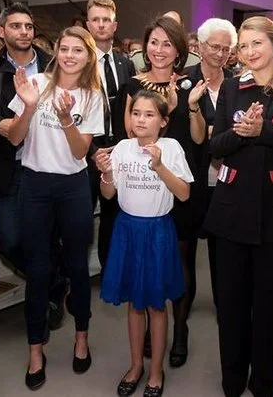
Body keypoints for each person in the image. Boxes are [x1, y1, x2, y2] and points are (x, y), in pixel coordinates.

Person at [204, 16, 273, 397]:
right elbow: (215, 145)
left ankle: (263, 384)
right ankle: (233, 382)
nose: (250, 52)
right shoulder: (233, 86)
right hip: (231, 210)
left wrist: (265, 131)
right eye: (245, 45)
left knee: (269, 307)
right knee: (232, 306)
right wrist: (239, 134)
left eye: (257, 44)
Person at [7, 25, 104, 389]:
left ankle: (81, 336)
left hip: (73, 187)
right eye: (64, 48)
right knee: (39, 270)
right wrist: (30, 108)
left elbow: (81, 152)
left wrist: (66, 119)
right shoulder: (36, 84)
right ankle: (35, 349)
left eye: (78, 50)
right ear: (56, 51)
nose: (69, 55)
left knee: (78, 265)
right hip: (34, 185)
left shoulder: (93, 96)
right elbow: (15, 138)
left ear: (88, 55)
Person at [0, 3, 69, 331]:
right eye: (16, 26)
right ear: (1, 31)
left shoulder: (54, 65)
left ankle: (48, 296)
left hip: (47, 166)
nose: (24, 32)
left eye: (28, 26)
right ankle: (55, 279)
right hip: (7, 167)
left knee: (47, 237)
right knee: (9, 240)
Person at [97, 90, 194, 397]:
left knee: (155, 304)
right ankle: (136, 364)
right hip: (128, 230)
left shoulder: (171, 147)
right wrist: (107, 173)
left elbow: (184, 194)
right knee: (134, 305)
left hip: (157, 232)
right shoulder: (123, 148)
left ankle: (156, 370)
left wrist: (160, 167)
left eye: (149, 114)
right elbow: (109, 195)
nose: (140, 119)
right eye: (136, 113)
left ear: (163, 121)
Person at [124, 15, 206, 369]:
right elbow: (129, 138)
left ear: (179, 51)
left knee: (182, 262)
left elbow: (200, 138)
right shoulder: (132, 86)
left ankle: (181, 329)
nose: (159, 50)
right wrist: (163, 114)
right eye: (154, 42)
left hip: (179, 184)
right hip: (142, 188)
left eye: (167, 44)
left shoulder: (191, 84)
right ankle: (146, 332)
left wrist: (185, 107)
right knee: (144, 262)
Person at [185, 17, 237, 312]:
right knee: (186, 250)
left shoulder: (237, 85)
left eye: (226, 49)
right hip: (192, 178)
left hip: (227, 180)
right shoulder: (183, 82)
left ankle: (225, 306)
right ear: (200, 47)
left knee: (223, 253)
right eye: (214, 47)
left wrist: (212, 132)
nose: (219, 54)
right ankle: (183, 312)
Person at [85, 0, 135, 271]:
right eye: (96, 19)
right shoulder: (77, 61)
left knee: (113, 215)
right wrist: (93, 151)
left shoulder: (124, 63)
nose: (101, 25)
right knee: (81, 221)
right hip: (86, 151)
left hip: (119, 148)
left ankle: (111, 272)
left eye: (106, 20)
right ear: (87, 24)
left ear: (115, 25)